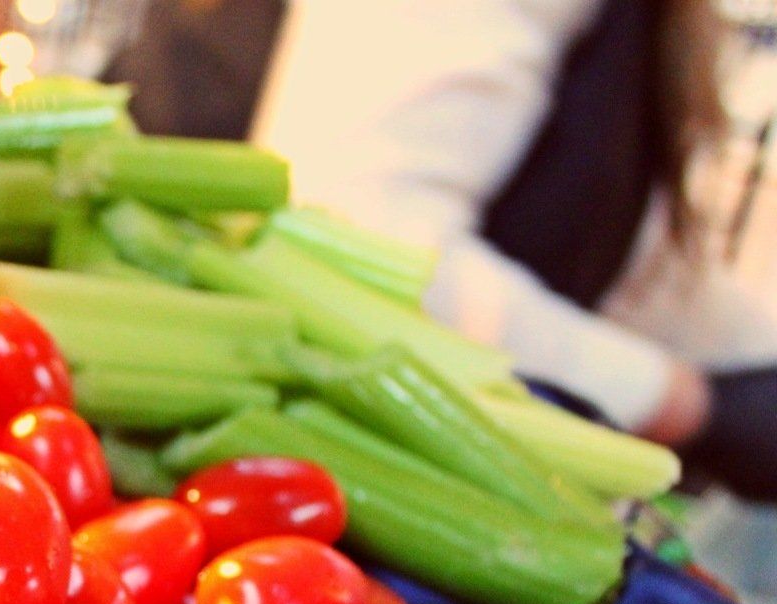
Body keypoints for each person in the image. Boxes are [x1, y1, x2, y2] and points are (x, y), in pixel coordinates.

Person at [254, 0, 777, 501]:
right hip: (357, 463)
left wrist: (752, 369)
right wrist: (684, 403)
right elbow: (354, 228)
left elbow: (629, 251)